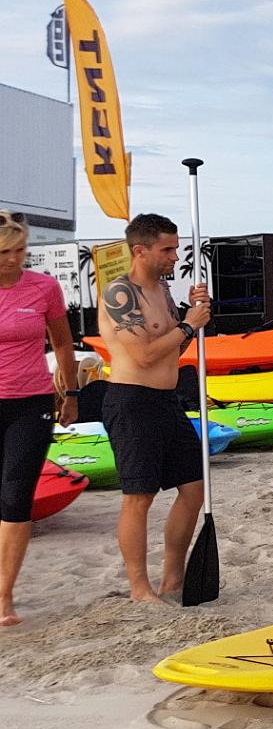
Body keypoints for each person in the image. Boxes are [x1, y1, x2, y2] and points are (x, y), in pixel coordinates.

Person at [97, 214, 210, 604]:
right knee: (139, 496)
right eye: (167, 249)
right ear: (139, 250)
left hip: (167, 400)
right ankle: (139, 586)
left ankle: (172, 578)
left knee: (194, 488)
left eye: (176, 247)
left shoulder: (162, 291)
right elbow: (143, 354)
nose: (174, 256)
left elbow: (171, 349)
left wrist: (194, 319)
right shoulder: (119, 293)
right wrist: (190, 326)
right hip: (132, 401)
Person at [0, 214, 79, 625]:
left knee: (15, 500)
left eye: (20, 251)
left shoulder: (43, 287)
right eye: (4, 253)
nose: (14, 260)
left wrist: (71, 393)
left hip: (31, 403)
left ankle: (4, 597)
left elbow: (62, 342)